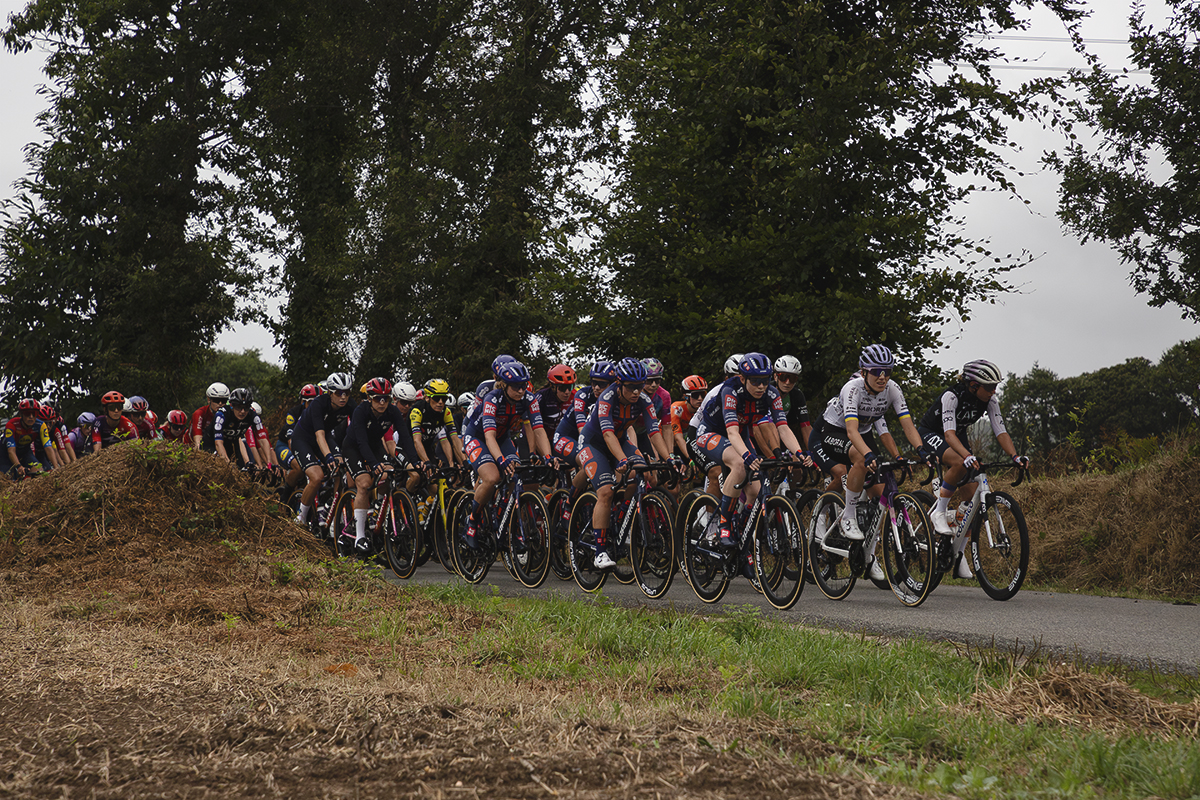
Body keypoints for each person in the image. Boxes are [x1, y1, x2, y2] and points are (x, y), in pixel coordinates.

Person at [810, 345, 931, 580]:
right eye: (877, 371)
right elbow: (852, 431)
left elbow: (907, 425)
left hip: (861, 434)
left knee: (880, 493)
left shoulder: (892, 389)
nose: (883, 377)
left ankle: (869, 554)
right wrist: (867, 455)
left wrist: (921, 450)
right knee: (860, 459)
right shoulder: (852, 389)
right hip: (835, 431)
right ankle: (848, 516)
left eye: (888, 371)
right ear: (864, 372)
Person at [917, 359, 1030, 578]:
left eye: (995, 386)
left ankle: (958, 555)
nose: (993, 391)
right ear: (973, 385)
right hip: (933, 433)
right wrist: (967, 455)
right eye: (989, 387)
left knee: (971, 503)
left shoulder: (990, 401)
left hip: (956, 436)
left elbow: (1001, 431)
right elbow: (948, 435)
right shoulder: (951, 397)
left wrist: (1014, 456)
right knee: (960, 462)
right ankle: (939, 511)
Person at [694, 352, 809, 549]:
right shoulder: (730, 390)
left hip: (741, 433)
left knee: (755, 490)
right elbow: (731, 432)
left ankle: (742, 527)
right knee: (739, 464)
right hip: (712, 433)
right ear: (742, 378)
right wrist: (747, 455)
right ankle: (723, 526)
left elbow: (782, 427)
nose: (761, 386)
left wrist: (799, 453)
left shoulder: (771, 394)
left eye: (764, 381)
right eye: (755, 381)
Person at [577, 357, 675, 569]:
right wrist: (622, 459)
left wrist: (669, 458)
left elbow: (654, 432)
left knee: (644, 473)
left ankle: (620, 516)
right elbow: (608, 434)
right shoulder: (606, 397)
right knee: (605, 491)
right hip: (594, 443)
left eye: (640, 387)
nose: (636, 392)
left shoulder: (643, 400)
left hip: (619, 441)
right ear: (619, 384)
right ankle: (600, 552)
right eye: (631, 387)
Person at [459, 360, 553, 548]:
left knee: (516, 476)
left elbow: (539, 429)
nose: (521, 390)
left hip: (502, 438)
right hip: (477, 437)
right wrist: (500, 460)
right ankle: (472, 522)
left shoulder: (528, 398)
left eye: (524, 385)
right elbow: (489, 436)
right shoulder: (492, 399)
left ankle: (513, 527)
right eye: (517, 386)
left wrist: (548, 457)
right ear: (504, 385)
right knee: (492, 477)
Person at [341, 377, 423, 556]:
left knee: (388, 474)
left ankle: (378, 509)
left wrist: (414, 462)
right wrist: (373, 464)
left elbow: (406, 438)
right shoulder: (360, 411)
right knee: (363, 483)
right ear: (369, 398)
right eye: (378, 398)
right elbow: (361, 442)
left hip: (374, 446)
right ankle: (360, 536)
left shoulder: (392, 412)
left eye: (385, 398)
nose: (382, 402)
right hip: (354, 447)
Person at [293, 372, 356, 527]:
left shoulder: (350, 405)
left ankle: (332, 510)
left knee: (340, 468)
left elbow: (357, 432)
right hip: (304, 439)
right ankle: (300, 518)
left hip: (325, 437)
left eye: (347, 392)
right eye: (338, 393)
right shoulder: (319, 404)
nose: (343, 397)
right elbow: (319, 435)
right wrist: (328, 456)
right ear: (330, 393)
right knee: (317, 477)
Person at [409, 378, 465, 469]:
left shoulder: (445, 412)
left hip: (427, 447)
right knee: (415, 476)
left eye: (444, 399)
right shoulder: (417, 410)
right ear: (427, 397)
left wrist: (464, 461)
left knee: (437, 478)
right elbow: (416, 440)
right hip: (409, 447)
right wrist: (426, 461)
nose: (440, 402)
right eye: (436, 398)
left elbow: (454, 438)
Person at [213, 388, 274, 468]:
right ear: (232, 405)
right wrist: (228, 465)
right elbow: (218, 443)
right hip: (212, 443)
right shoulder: (222, 414)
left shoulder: (252, 415)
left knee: (244, 469)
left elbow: (262, 440)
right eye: (239, 407)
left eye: (246, 408)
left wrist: (269, 463)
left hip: (232, 443)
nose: (242, 411)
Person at [5, 398, 54, 476]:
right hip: (5, 453)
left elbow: (48, 447)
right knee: (8, 477)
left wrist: (57, 469)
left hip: (25, 451)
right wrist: (19, 466)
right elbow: (11, 451)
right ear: (21, 415)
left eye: (34, 413)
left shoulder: (41, 425)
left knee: (39, 471)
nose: (31, 417)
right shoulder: (12, 424)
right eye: (27, 413)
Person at [192, 382, 230, 453]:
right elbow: (198, 442)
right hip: (193, 446)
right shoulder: (199, 414)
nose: (220, 404)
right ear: (209, 399)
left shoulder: (228, 414)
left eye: (224, 401)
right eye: (216, 400)